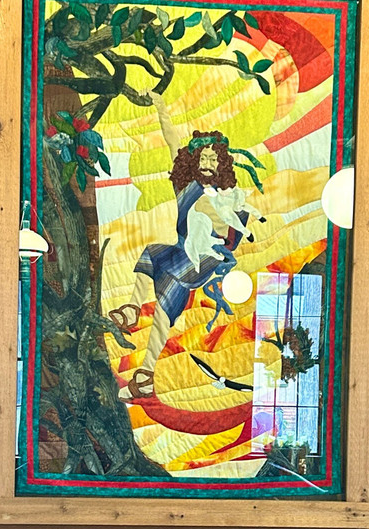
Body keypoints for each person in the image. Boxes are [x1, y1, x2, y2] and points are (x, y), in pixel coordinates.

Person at [109, 96, 261, 401]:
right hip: (182, 252)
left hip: (204, 259)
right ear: (195, 162)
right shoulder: (186, 189)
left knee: (163, 284)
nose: (207, 164)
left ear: (222, 163)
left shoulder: (229, 197)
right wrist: (161, 108)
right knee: (154, 265)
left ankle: (143, 364)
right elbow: (172, 142)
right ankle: (134, 320)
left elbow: (232, 239)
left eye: (213, 159)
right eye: (203, 158)